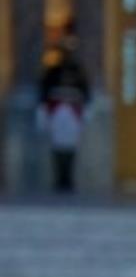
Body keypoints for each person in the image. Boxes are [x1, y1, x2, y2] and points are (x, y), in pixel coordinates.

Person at [38, 33, 91, 193]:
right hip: (57, 110)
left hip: (73, 111)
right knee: (57, 145)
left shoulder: (79, 71)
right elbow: (44, 90)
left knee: (71, 146)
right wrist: (42, 110)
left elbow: (85, 91)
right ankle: (59, 178)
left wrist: (86, 110)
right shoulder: (52, 71)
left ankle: (68, 178)